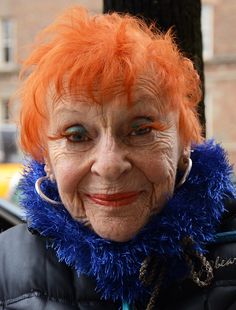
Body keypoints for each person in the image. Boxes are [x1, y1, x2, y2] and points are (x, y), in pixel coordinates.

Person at [0, 6, 235, 310]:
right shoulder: (5, 269)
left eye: (141, 129)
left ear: (184, 143)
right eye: (76, 135)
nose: (109, 166)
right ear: (46, 158)